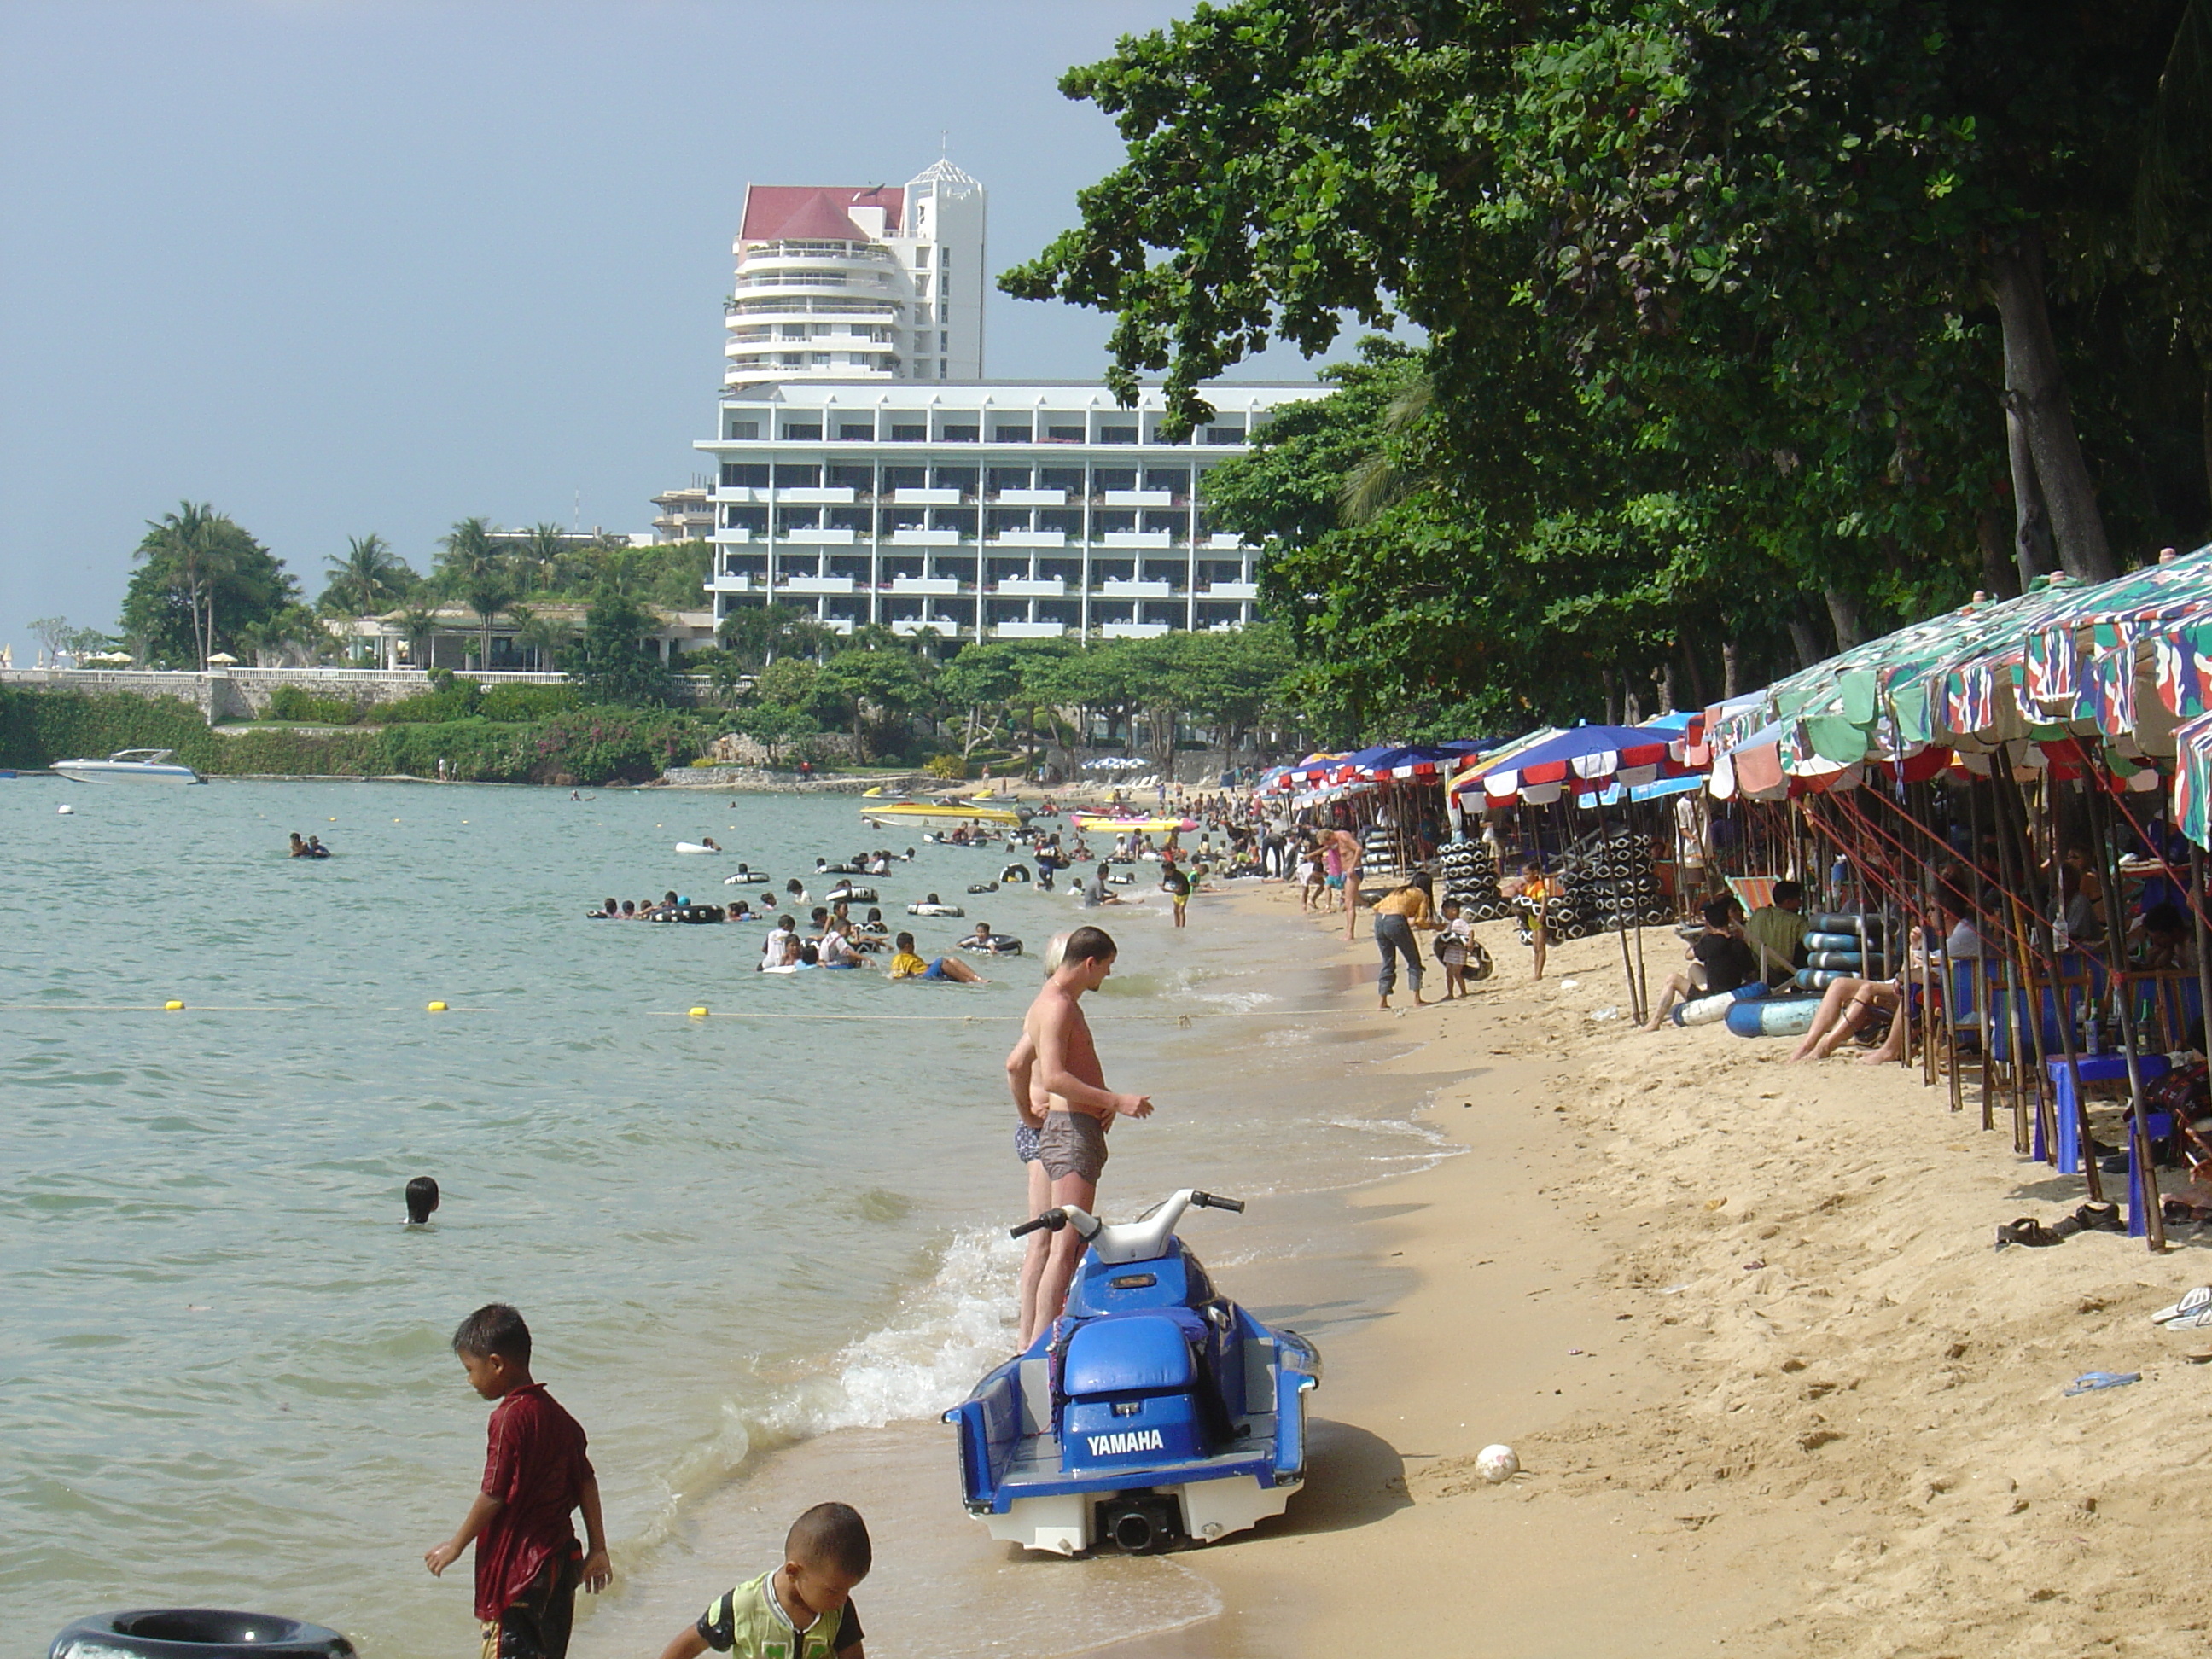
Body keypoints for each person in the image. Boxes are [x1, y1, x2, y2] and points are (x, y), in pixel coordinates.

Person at [424, 1304, 610, 1659]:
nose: (469, 1380)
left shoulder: (508, 1417)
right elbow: (586, 1481)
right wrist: (598, 1547)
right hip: (560, 1564)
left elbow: (493, 1494)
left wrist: (456, 1546)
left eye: (470, 1370)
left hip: (519, 1573)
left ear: (496, 1363)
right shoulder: (559, 1417)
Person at [1027, 926, 1154, 1330]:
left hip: (1071, 1129)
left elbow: (1017, 1065)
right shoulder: (1059, 1006)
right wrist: (1116, 1101)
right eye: (1107, 967)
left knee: (1067, 1243)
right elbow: (1054, 1079)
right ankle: (1043, 1344)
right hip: (1071, 1132)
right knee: (1066, 1246)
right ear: (1089, 963)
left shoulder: (1050, 1001)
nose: (1108, 977)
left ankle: (1040, 1337)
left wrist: (1030, 1115)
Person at [656, 1502, 870, 1659]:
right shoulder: (743, 1606)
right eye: (834, 1590)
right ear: (793, 1572)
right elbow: (689, 1644)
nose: (842, 1599)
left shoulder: (838, 1612)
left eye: (848, 1589)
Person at [1003, 934, 1070, 1348]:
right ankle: (1026, 1341)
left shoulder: (1054, 1006)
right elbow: (1016, 1065)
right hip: (1040, 1133)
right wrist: (1027, 1114)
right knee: (1043, 1241)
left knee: (1055, 1239)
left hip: (1052, 1131)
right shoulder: (1049, 1008)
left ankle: (1038, 1332)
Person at [1642, 899, 1762, 1029]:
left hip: (1715, 996)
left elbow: (1688, 955)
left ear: (1708, 924)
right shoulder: (1739, 943)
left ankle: (1655, 1022)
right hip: (1734, 990)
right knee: (1695, 968)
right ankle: (1691, 1010)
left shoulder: (1709, 942)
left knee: (1673, 979)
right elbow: (1751, 971)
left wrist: (1702, 938)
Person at [1788, 974, 1906, 1064]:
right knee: (1839, 984)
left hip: (1914, 988)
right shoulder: (1913, 944)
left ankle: (1825, 1047)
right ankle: (1807, 1045)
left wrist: (1904, 975)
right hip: (1900, 982)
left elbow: (1917, 976)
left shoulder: (1924, 945)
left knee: (1868, 989)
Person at [1369, 873, 1441, 1010]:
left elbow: (1376, 907)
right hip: (1396, 922)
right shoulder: (1422, 895)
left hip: (1379, 921)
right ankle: (1417, 999)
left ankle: (1383, 1000)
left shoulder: (1398, 891)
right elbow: (1420, 922)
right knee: (1414, 961)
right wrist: (1435, 927)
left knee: (1388, 961)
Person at [1744, 880, 1809, 987]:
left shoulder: (1758, 914)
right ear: (1788, 902)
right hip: (1784, 973)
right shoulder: (1797, 922)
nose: (1800, 903)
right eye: (1798, 900)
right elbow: (1811, 940)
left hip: (1756, 969)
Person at [886, 932, 987, 983]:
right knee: (941, 961)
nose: (914, 946)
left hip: (927, 973)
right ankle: (967, 981)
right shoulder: (899, 959)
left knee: (952, 960)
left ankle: (976, 978)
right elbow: (897, 975)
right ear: (908, 946)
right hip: (922, 978)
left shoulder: (912, 956)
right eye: (913, 944)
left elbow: (920, 967)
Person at [1518, 859, 1560, 980]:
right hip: (1531, 918)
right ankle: (1535, 971)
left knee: (1540, 946)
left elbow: (1543, 900)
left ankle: (1539, 973)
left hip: (1538, 917)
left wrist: (1541, 914)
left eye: (1526, 873)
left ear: (1535, 873)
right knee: (1535, 946)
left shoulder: (1538, 885)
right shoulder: (1527, 887)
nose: (1524, 876)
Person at [1437, 899, 1475, 999]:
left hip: (1459, 952)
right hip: (1450, 951)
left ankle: (1463, 992)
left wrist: (1470, 941)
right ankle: (1450, 993)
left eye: (1446, 912)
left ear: (1454, 911)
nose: (1444, 914)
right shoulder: (1450, 923)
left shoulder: (1460, 922)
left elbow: (1470, 931)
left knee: (1457, 973)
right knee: (1448, 973)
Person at [1161, 856, 1190, 928]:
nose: (1165, 873)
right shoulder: (1167, 875)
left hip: (1184, 893)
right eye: (1164, 871)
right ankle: (1176, 926)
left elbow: (1179, 890)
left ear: (1173, 870)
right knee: (1175, 910)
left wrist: (1167, 891)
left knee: (1181, 910)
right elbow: (1164, 883)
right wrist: (1162, 886)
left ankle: (1182, 927)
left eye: (1167, 871)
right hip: (1176, 894)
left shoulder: (1179, 877)